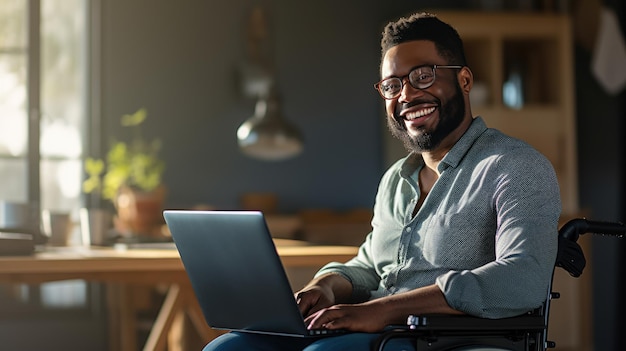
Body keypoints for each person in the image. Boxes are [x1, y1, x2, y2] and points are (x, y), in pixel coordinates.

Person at [203, 11, 561, 351]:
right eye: (392, 85)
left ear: (464, 80)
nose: (406, 95)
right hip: (381, 328)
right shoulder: (396, 179)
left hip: (439, 338)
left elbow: (522, 277)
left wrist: (383, 310)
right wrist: (325, 287)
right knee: (230, 346)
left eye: (423, 76)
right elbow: (371, 266)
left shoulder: (516, 166)